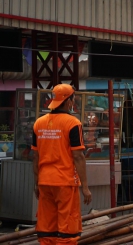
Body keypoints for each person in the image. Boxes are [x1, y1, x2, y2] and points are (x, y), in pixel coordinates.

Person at [32, 84, 92, 245]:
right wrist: (85, 187)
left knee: (46, 230)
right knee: (67, 232)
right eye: (73, 99)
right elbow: (78, 156)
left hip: (45, 182)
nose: (74, 103)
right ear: (68, 102)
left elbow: (35, 157)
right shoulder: (72, 123)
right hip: (65, 183)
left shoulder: (39, 123)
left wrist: (37, 183)